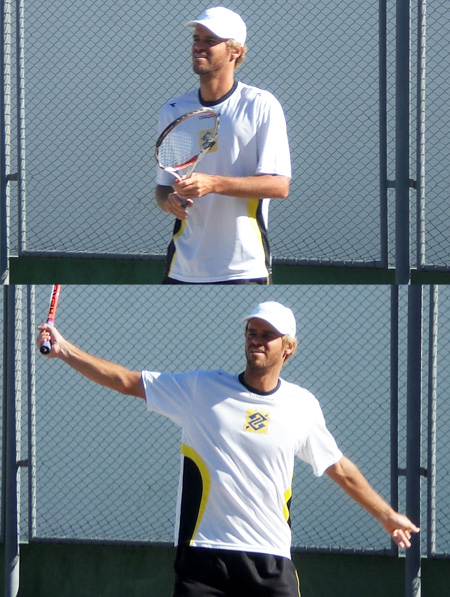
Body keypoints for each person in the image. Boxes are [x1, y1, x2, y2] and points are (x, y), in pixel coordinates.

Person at [37, 300, 419, 597]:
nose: (256, 340)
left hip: (270, 560)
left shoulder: (302, 406)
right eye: (252, 331)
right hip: (203, 558)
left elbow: (339, 468)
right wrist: (66, 350)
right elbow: (127, 381)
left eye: (267, 334)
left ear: (289, 347)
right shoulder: (202, 389)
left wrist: (386, 515)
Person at [155, 7, 291, 284]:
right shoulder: (174, 109)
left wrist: (214, 183)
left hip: (243, 268)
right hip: (182, 268)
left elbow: (279, 186)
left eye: (210, 41)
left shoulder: (260, 105)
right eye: (196, 39)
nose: (199, 46)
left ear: (235, 51)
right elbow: (163, 187)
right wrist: (169, 202)